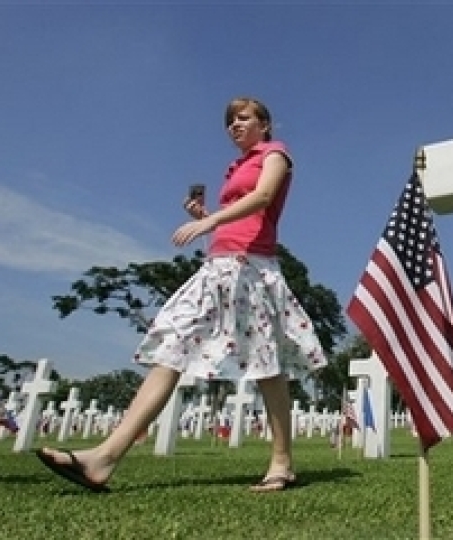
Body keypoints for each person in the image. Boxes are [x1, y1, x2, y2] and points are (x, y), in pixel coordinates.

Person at [36, 97, 328, 493]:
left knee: (267, 366)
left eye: (242, 118)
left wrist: (208, 219)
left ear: (264, 123)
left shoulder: (275, 153)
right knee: (170, 349)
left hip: (251, 269)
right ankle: (103, 459)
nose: (233, 126)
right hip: (216, 267)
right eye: (229, 122)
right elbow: (236, 215)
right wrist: (204, 216)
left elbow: (261, 198)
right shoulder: (235, 167)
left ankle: (282, 463)